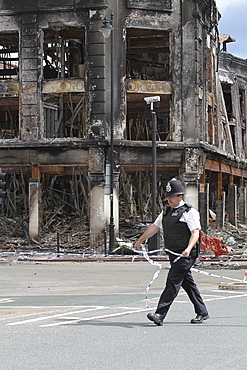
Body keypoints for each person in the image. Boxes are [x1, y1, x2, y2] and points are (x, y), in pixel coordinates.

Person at [134, 178, 209, 326]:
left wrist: (188, 249)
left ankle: (160, 314)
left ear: (180, 197)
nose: (169, 200)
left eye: (171, 197)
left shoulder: (190, 212)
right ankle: (202, 311)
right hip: (173, 253)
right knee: (187, 283)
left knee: (172, 282)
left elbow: (195, 233)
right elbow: (154, 227)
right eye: (167, 197)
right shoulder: (166, 212)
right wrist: (140, 241)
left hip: (185, 255)